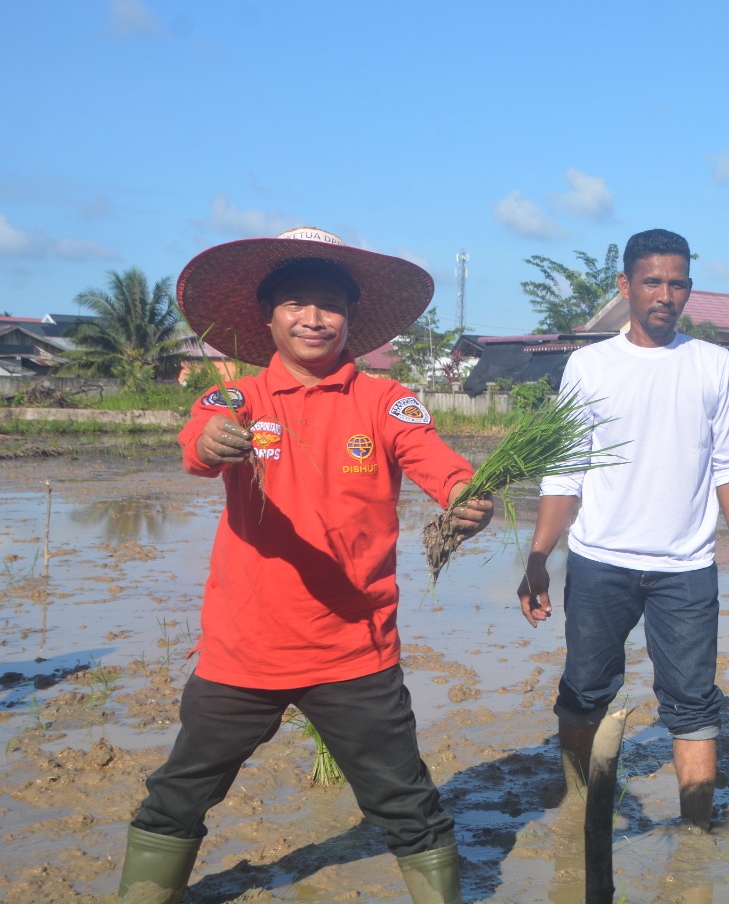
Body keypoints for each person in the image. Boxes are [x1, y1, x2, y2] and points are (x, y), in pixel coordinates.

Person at [116, 227, 493, 904]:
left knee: (407, 804)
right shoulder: (237, 400)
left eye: (329, 304)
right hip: (243, 650)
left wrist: (465, 498)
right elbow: (197, 448)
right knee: (177, 795)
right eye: (296, 302)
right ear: (268, 317)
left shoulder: (383, 399)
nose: (313, 318)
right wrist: (216, 440)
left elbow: (434, 458)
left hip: (354, 649)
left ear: (351, 318)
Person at [518, 227, 729, 830]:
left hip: (686, 567)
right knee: (584, 688)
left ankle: (696, 834)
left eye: (677, 283)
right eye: (652, 281)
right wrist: (538, 554)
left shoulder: (713, 364)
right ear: (626, 286)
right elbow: (565, 468)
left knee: (693, 704)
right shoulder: (589, 366)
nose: (665, 294)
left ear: (688, 291)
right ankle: (582, 809)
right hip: (601, 562)